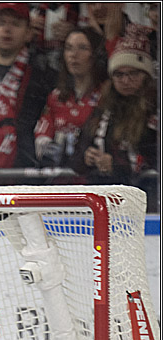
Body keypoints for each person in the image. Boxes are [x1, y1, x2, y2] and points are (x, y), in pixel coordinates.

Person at [70, 26, 159, 206]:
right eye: (119, 74)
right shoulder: (102, 110)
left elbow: (153, 159)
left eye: (133, 73)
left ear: (146, 76)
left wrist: (118, 167)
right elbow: (75, 158)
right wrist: (86, 158)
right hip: (104, 202)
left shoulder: (154, 110)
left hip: (147, 203)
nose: (125, 81)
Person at [0, 2, 56, 169]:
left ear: (29, 33)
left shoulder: (43, 75)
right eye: (1, 23)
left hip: (22, 165)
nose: (7, 30)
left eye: (15, 24)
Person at [33, 28, 108, 169]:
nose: (74, 55)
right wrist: (48, 147)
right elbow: (42, 136)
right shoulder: (56, 96)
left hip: (91, 178)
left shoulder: (105, 96)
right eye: (69, 48)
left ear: (96, 54)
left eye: (82, 48)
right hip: (60, 179)